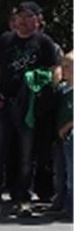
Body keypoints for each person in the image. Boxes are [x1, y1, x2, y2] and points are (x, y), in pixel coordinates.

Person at [0, 1, 62, 217]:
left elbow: (55, 71)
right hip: (4, 103)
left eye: (29, 17)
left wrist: (44, 89)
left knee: (27, 154)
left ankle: (22, 197)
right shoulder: (5, 40)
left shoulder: (45, 43)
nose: (24, 21)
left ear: (38, 20)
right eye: (20, 16)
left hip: (28, 107)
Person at [47, 50, 73, 221]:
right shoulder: (63, 89)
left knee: (71, 172)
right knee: (60, 171)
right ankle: (61, 200)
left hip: (69, 134)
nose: (64, 69)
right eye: (62, 66)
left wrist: (67, 127)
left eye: (68, 66)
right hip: (59, 137)